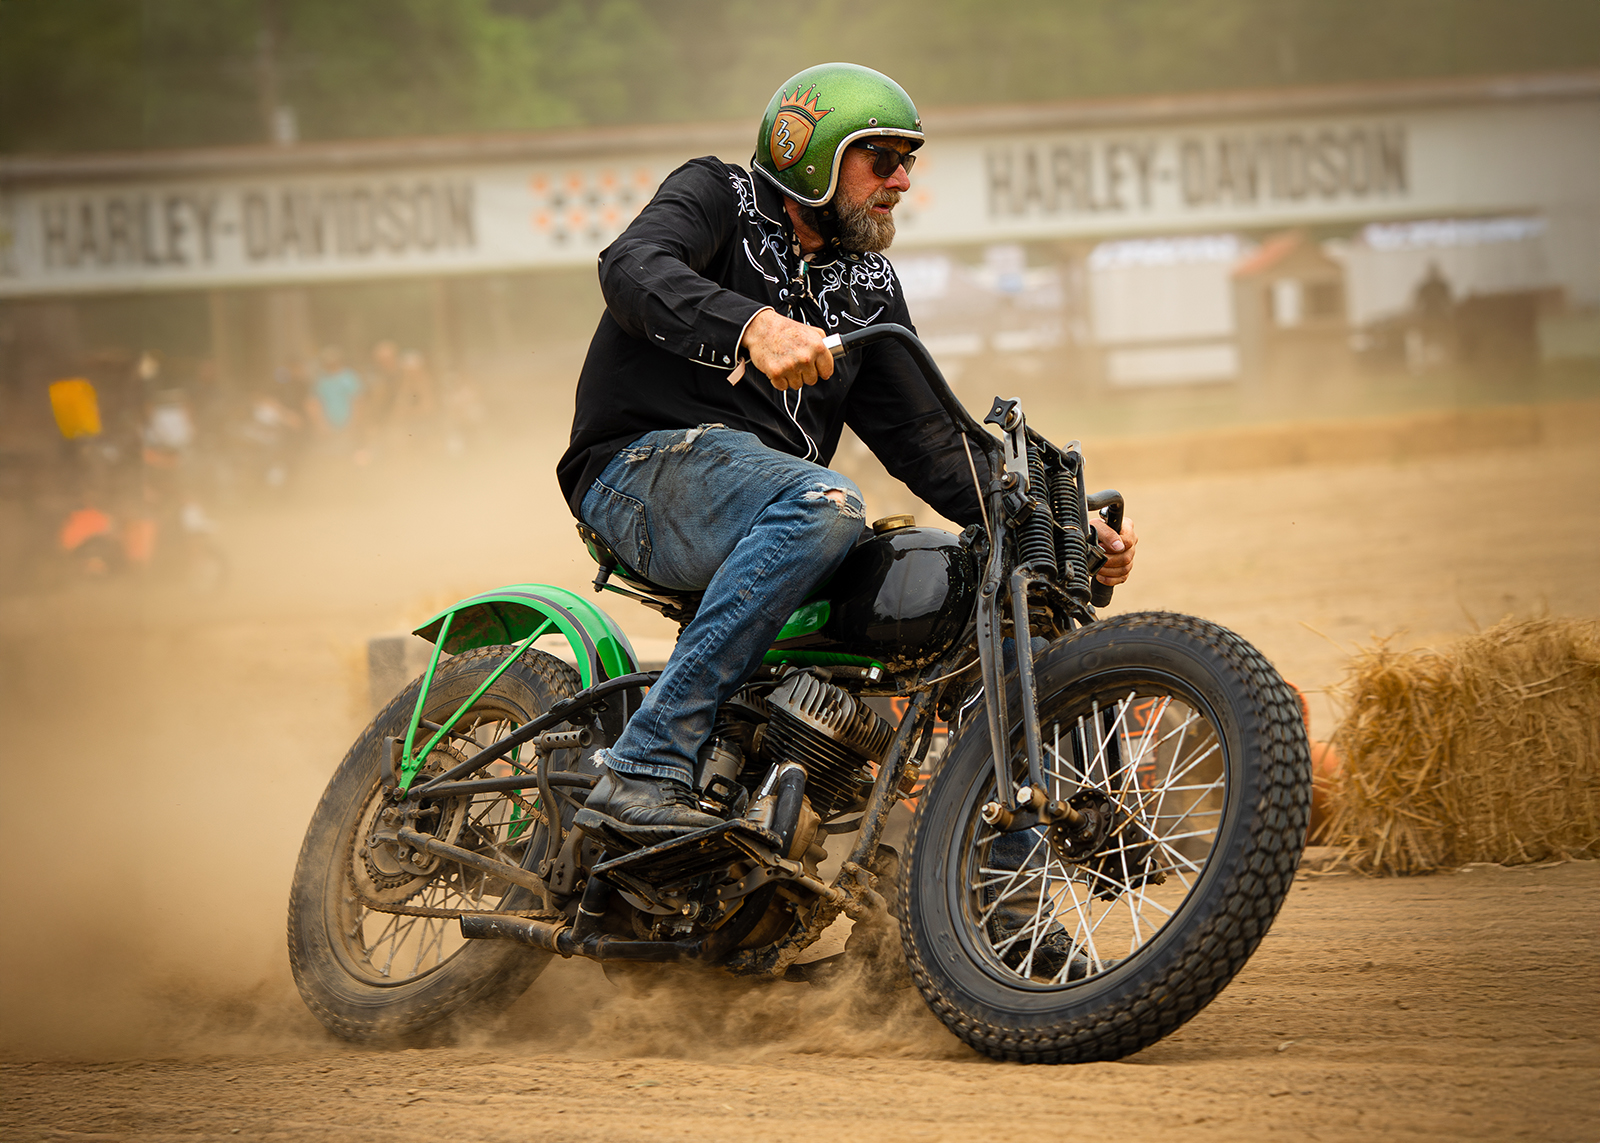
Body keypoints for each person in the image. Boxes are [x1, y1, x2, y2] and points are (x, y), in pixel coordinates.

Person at [558, 63, 1138, 843]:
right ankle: (642, 766)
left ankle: (988, 909)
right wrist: (751, 327)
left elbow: (931, 438)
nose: (901, 179)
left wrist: (1053, 529)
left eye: (909, 161)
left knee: (981, 591)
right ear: (813, 153)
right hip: (638, 473)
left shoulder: (867, 282)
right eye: (882, 158)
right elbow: (631, 268)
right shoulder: (716, 196)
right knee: (823, 501)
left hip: (780, 510)